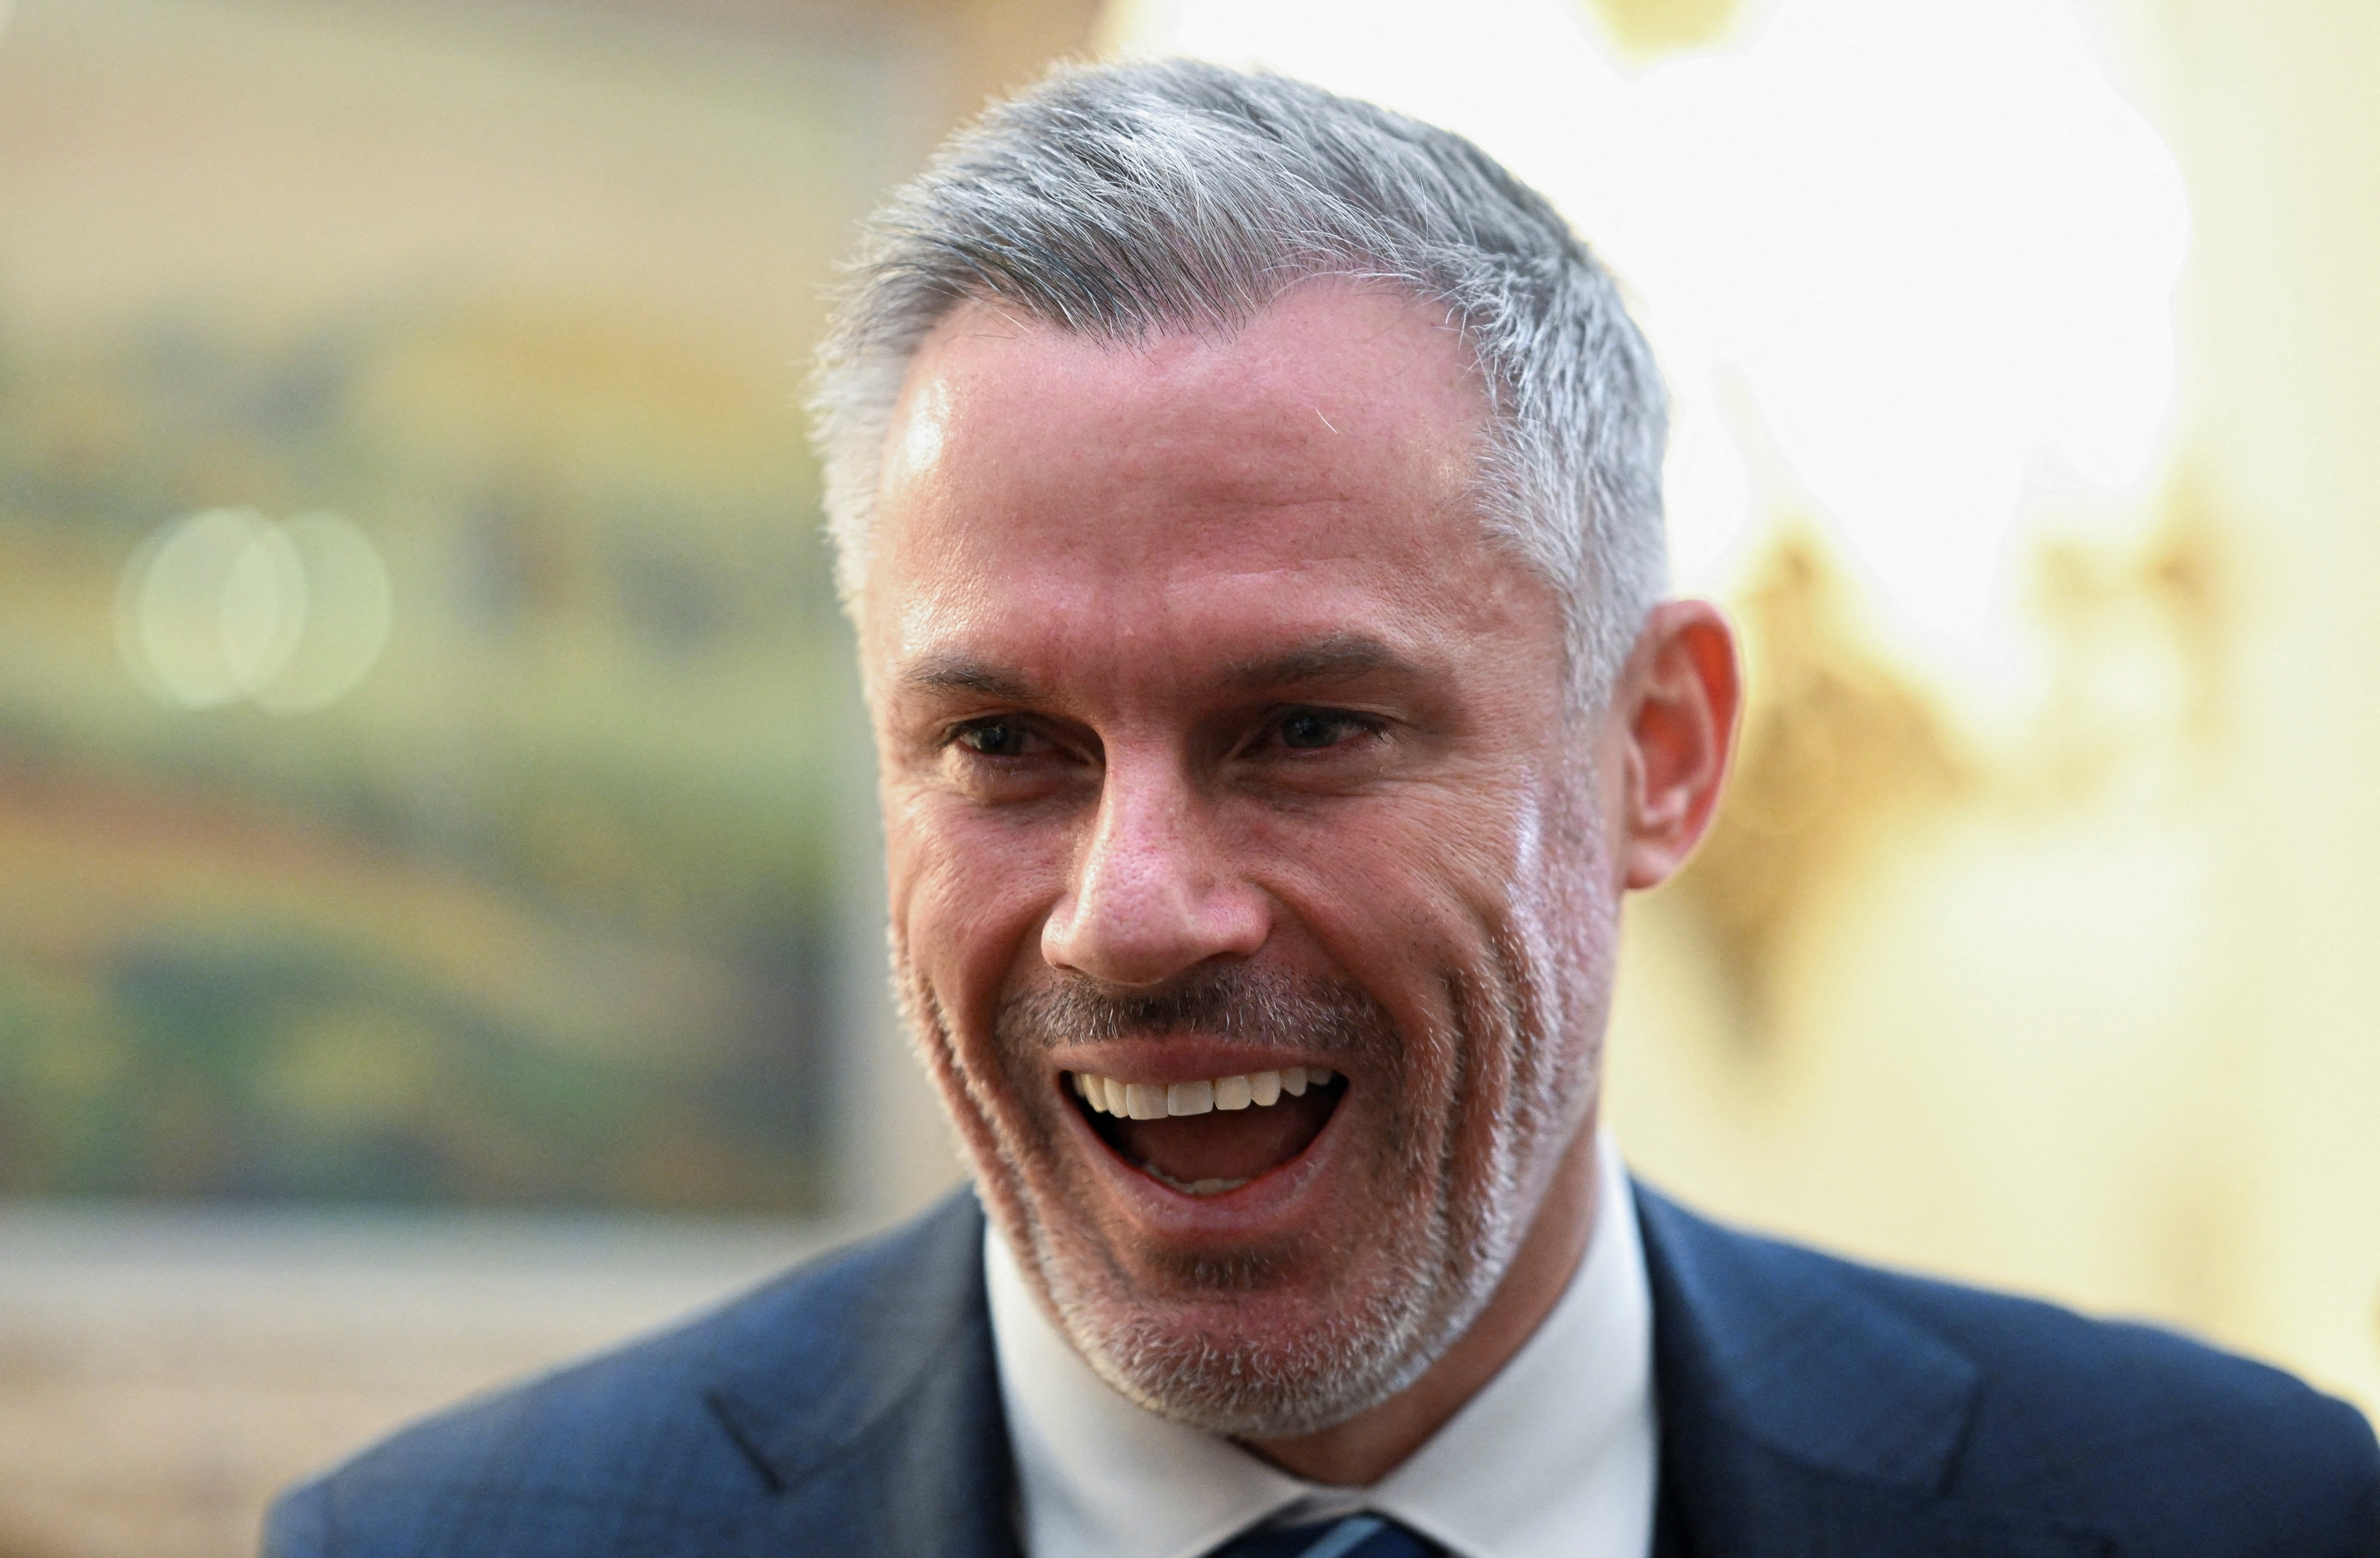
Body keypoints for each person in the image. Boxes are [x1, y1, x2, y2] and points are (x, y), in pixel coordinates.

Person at [264, 60, 2379, 1558]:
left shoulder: (2232, 1515)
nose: (1130, 913)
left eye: (1302, 727)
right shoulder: (445, 1544)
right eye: (1003, 745)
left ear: (1656, 747)